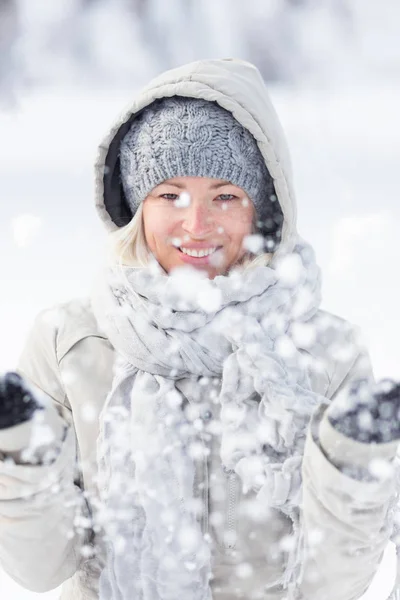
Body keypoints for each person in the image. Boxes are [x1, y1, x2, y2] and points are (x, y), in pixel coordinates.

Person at [0, 58, 399, 600]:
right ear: (138, 207)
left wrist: (351, 465)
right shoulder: (72, 343)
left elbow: (331, 585)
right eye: (170, 195)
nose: (197, 224)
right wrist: (20, 455)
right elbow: (39, 567)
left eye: (225, 196)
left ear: (262, 210)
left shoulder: (324, 354)